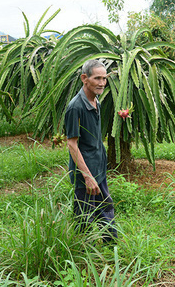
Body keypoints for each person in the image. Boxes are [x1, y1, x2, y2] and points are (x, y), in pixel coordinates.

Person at [65, 59, 117, 242]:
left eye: (104, 78)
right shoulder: (75, 107)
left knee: (106, 209)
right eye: (97, 78)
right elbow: (72, 144)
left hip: (98, 169)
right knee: (83, 219)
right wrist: (87, 176)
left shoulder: (95, 101)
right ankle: (78, 254)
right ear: (84, 78)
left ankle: (112, 249)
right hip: (85, 174)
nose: (102, 83)